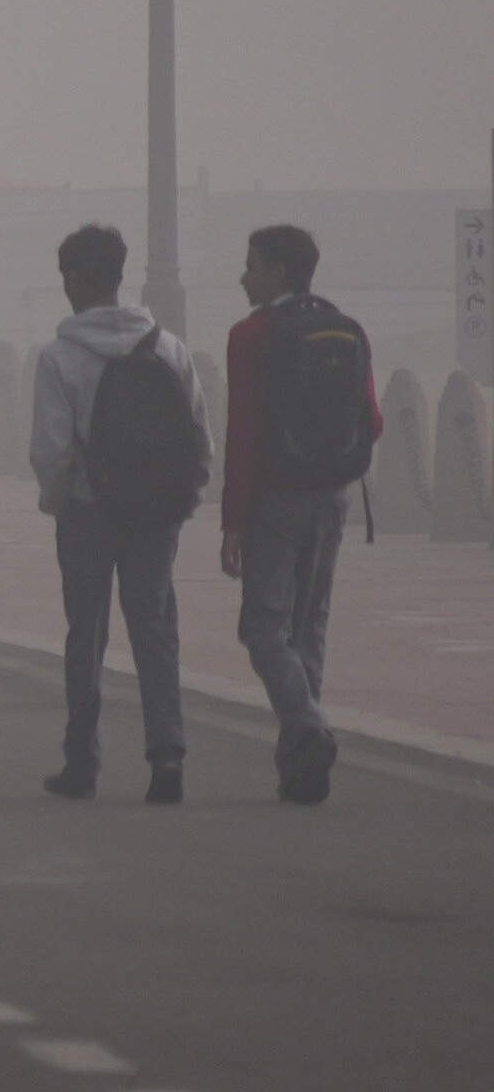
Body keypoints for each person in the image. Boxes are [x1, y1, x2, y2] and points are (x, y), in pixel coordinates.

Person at [27, 223, 207, 803]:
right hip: (155, 513)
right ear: (120, 275)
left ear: (74, 279)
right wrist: (182, 500)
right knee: (153, 627)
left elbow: (52, 449)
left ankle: (82, 761)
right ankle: (167, 758)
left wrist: (58, 503)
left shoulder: (59, 356)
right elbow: (198, 436)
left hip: (87, 510)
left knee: (88, 632)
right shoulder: (167, 346)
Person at [220, 223, 381, 806]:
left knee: (261, 626)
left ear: (280, 272)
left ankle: (308, 728)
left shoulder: (251, 335)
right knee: (308, 627)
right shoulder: (346, 328)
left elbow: (242, 433)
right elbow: (375, 422)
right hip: (333, 496)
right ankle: (301, 769)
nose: (244, 276)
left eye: (253, 265)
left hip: (275, 497)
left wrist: (232, 521)